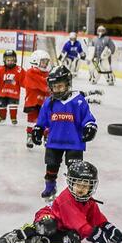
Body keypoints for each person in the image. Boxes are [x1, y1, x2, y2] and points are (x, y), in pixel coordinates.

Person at [0, 161, 122, 243]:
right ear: (71, 183)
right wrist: (93, 233)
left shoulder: (89, 201)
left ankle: (43, 241)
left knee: (73, 240)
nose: (81, 188)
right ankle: (19, 234)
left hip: (64, 226)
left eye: (85, 186)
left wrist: (109, 228)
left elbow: (97, 218)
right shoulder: (66, 199)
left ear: (91, 187)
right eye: (78, 184)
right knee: (48, 226)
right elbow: (80, 224)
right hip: (49, 216)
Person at [31, 65, 97, 199]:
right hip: (54, 141)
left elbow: (87, 118)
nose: (57, 90)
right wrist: (38, 129)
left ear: (68, 84)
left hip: (74, 142)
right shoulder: (49, 102)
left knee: (74, 169)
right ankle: (50, 187)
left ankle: (73, 191)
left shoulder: (78, 101)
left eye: (60, 86)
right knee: (51, 166)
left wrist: (90, 127)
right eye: (54, 87)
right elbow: (42, 120)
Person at [22, 50, 51, 149]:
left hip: (44, 101)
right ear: (35, 61)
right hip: (33, 101)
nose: (45, 64)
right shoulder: (31, 72)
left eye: (46, 62)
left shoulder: (47, 73)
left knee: (47, 120)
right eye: (43, 61)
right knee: (32, 120)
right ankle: (30, 136)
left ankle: (46, 136)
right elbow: (44, 85)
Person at [0, 50, 25, 125]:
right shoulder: (0, 69)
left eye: (12, 60)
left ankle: (13, 117)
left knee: (13, 106)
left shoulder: (19, 70)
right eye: (8, 60)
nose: (10, 62)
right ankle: (2, 117)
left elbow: (24, 81)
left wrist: (28, 86)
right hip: (3, 93)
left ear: (15, 60)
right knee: (1, 105)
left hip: (14, 93)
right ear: (4, 60)